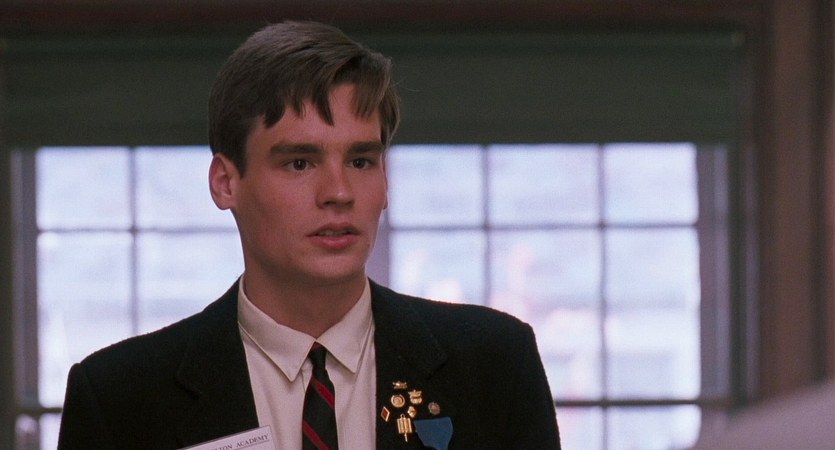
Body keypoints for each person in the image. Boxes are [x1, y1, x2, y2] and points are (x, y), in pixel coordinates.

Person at [57, 21, 561, 450]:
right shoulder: (121, 398)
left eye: (361, 161)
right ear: (226, 182)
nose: (339, 192)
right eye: (300, 163)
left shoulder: (494, 365)